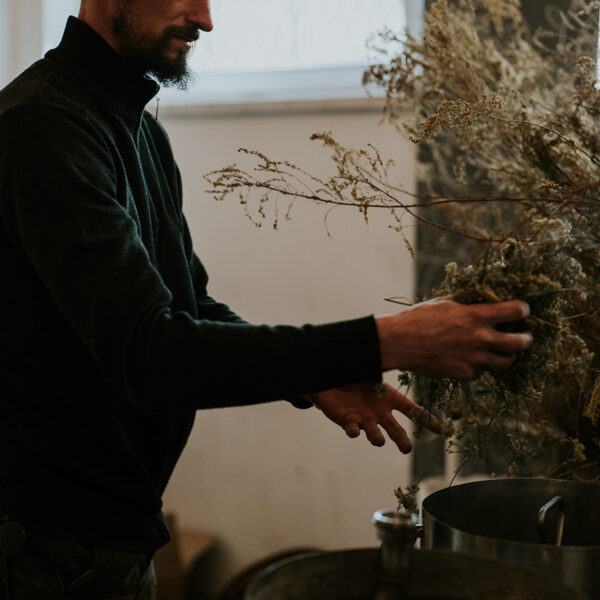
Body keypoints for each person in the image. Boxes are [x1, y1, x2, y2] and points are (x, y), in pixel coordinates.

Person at [0, 0, 533, 597]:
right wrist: (387, 341)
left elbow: (193, 310)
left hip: (113, 539)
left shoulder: (141, 132)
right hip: (46, 554)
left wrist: (314, 378)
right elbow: (149, 355)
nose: (205, 19)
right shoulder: (41, 126)